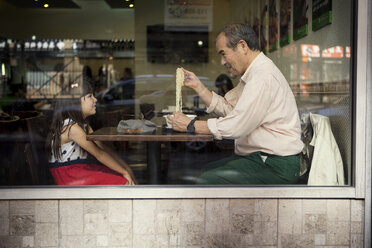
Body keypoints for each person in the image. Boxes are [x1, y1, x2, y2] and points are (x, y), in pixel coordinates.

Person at [168, 23, 304, 185]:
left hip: (275, 164)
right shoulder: (254, 74)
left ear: (242, 46)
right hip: (260, 158)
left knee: (207, 180)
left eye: (223, 54)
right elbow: (230, 109)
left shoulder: (263, 76)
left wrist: (190, 125)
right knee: (205, 171)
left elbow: (237, 124)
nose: (222, 61)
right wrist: (197, 85)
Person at [46, 80, 136, 185]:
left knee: (121, 175)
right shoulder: (72, 128)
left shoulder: (82, 125)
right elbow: (98, 154)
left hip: (78, 171)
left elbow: (102, 148)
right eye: (89, 96)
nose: (95, 99)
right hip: (70, 175)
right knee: (124, 182)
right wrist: (124, 171)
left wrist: (125, 168)